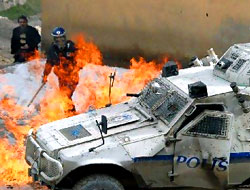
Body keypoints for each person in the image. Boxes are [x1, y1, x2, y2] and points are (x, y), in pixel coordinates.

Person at [42, 27, 79, 113]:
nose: (60, 41)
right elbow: (49, 64)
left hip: (72, 76)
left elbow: (80, 59)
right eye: (57, 39)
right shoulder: (52, 50)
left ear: (64, 38)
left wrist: (76, 68)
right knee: (64, 96)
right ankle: (69, 114)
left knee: (67, 95)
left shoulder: (71, 46)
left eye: (61, 38)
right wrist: (45, 76)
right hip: (61, 78)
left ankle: (72, 115)